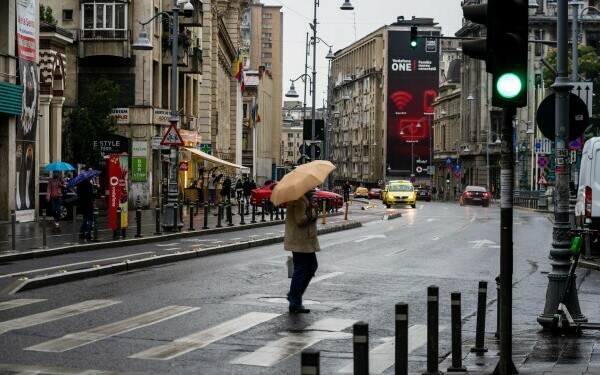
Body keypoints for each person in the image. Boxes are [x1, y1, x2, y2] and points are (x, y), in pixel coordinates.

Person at [285, 189, 320, 314]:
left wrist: (313, 208)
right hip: (300, 242)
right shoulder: (299, 200)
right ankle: (295, 301)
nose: (314, 189)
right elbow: (300, 221)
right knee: (301, 270)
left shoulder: (304, 199)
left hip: (306, 241)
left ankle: (294, 294)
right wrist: (313, 210)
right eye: (312, 188)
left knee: (311, 267)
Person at [77, 178, 95, 242]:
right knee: (90, 219)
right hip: (88, 204)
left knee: (85, 219)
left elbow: (78, 195)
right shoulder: (88, 185)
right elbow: (91, 195)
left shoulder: (79, 185)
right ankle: (88, 233)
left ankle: (81, 233)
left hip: (82, 205)